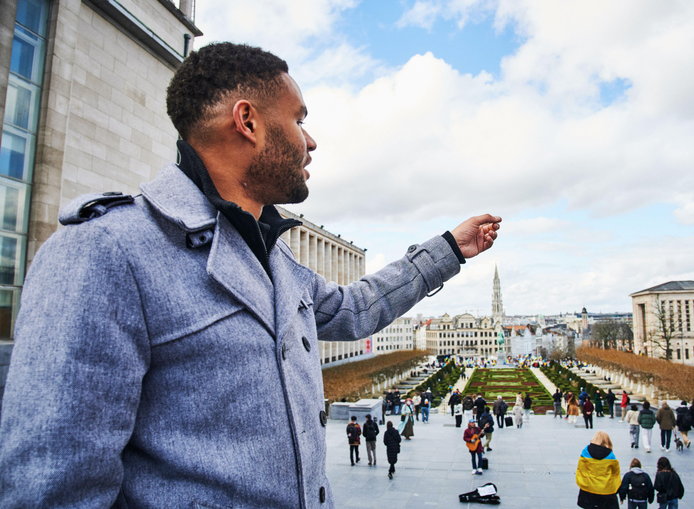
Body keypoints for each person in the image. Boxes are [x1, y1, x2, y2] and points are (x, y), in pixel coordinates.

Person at [0, 42, 503, 508]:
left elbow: (355, 309)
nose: (311, 140)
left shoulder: (272, 256)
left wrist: (448, 250)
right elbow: (52, 485)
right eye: (298, 119)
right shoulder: (104, 252)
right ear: (248, 121)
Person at [575, 431, 621, 509]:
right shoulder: (610, 455)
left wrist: (582, 483)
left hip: (588, 489)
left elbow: (581, 469)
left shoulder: (585, 452)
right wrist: (615, 487)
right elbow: (615, 473)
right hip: (606, 491)